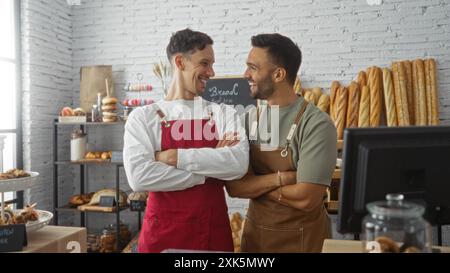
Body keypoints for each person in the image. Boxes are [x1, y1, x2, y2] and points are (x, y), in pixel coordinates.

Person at [123, 28, 249, 253]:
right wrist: (210, 172)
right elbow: (140, 178)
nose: (211, 72)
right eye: (205, 63)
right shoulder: (143, 117)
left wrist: (172, 157)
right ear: (180, 62)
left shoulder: (224, 113)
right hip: (162, 235)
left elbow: (238, 164)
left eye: (212, 64)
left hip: (213, 233)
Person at [225, 33, 337, 253]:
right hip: (255, 240)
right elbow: (235, 187)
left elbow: (306, 198)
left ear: (278, 74)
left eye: (253, 68)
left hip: (303, 241)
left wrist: (255, 185)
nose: (245, 74)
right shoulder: (247, 120)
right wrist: (283, 178)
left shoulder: (316, 124)